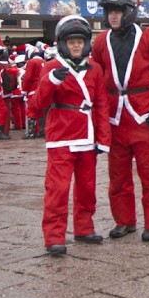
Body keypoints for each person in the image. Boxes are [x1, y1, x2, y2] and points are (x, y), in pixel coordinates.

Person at [91, 0, 149, 242]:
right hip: (115, 117)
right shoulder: (100, 40)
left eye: (117, 10)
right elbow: (95, 76)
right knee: (117, 176)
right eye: (109, 11)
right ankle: (124, 221)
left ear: (129, 11)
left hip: (144, 116)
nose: (112, 16)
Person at [31, 15, 111, 255]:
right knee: (57, 189)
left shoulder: (95, 69)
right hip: (61, 138)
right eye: (71, 41)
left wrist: (104, 139)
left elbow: (101, 105)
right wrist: (49, 83)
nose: (76, 45)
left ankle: (84, 228)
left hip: (88, 138)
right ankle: (54, 237)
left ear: (86, 43)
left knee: (87, 188)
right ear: (62, 43)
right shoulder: (51, 67)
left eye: (80, 41)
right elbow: (35, 108)